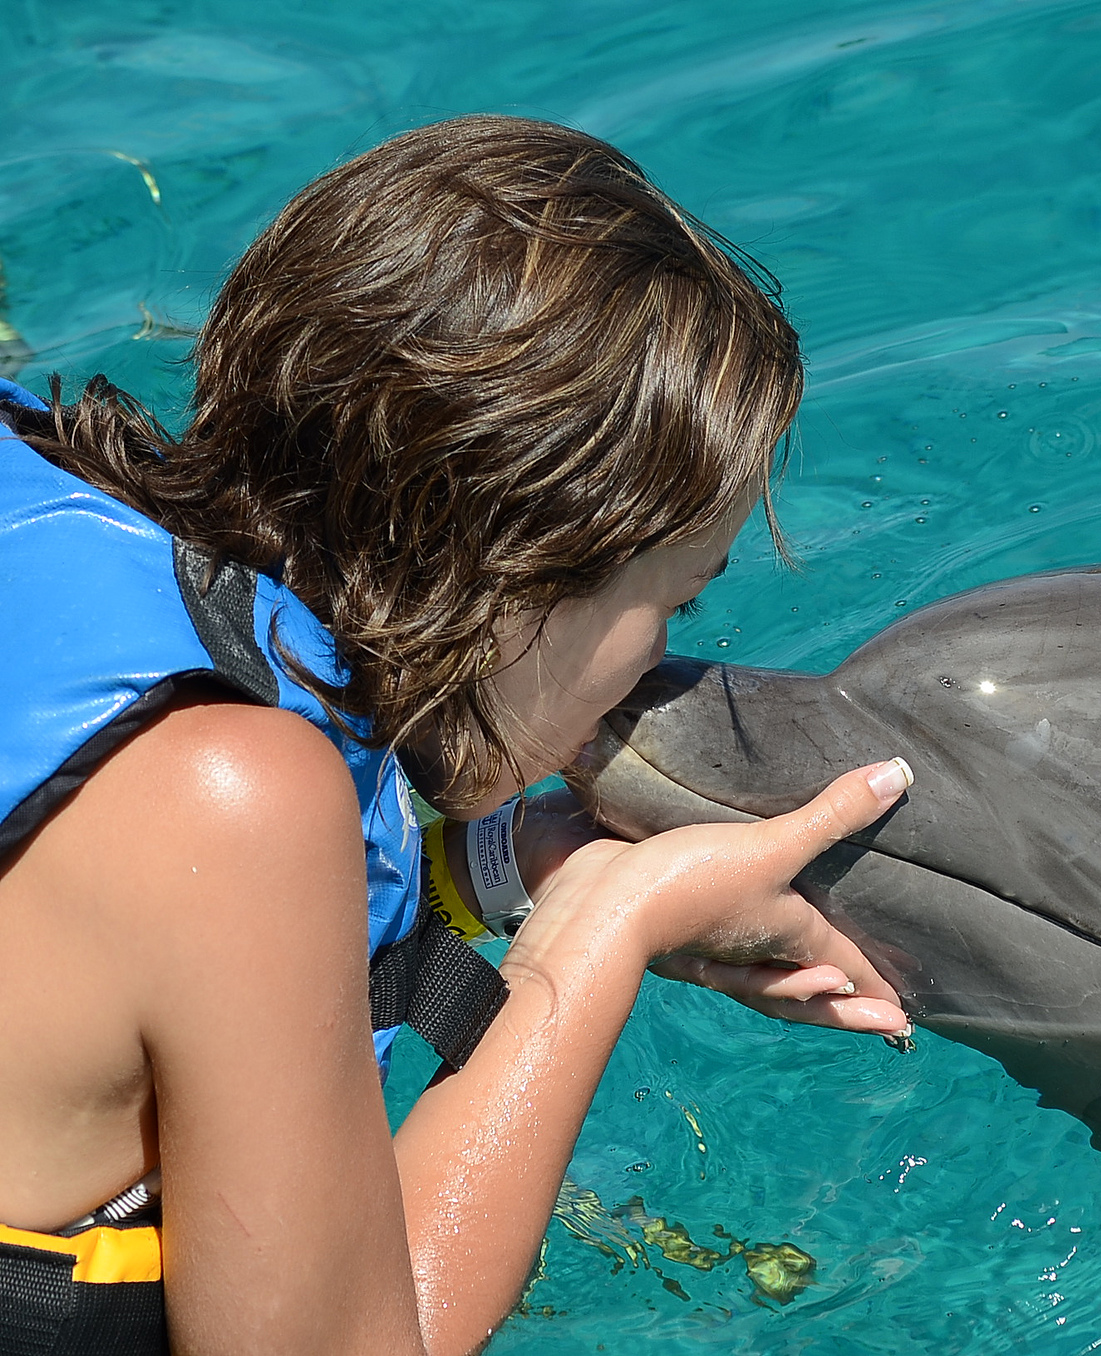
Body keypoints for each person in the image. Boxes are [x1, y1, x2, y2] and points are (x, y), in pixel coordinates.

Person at [0, 115, 913, 1355]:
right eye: (670, 603)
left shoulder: (36, 479)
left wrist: (500, 866)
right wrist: (603, 929)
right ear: (516, 580)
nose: (662, 664)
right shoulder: (233, 793)